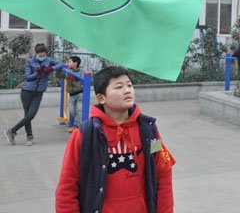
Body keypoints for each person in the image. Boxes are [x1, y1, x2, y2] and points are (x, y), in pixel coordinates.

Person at [55, 66, 175, 213]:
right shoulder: (83, 135)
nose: (127, 90)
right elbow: (67, 187)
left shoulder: (149, 131)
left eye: (129, 85)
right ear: (101, 98)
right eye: (119, 87)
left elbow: (163, 172)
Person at [4, 43, 64, 146]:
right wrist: (37, 73)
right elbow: (27, 77)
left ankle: (12, 131)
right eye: (40, 55)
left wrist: (51, 69)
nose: (42, 57)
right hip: (27, 91)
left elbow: (61, 64)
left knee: (31, 115)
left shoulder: (49, 60)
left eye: (44, 55)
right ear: (36, 54)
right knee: (28, 115)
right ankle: (29, 137)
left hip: (39, 92)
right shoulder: (30, 61)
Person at [65, 56, 84, 128]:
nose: (68, 63)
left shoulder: (80, 71)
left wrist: (72, 73)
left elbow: (79, 78)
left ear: (75, 63)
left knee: (79, 109)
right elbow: (59, 75)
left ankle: (79, 125)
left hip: (80, 93)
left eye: (70, 62)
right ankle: (77, 122)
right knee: (72, 110)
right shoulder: (67, 71)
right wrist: (59, 69)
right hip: (72, 94)